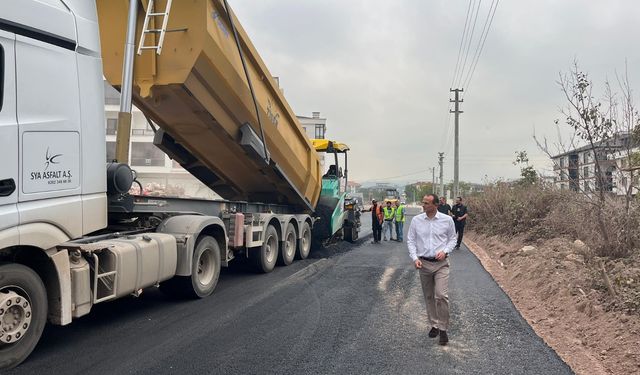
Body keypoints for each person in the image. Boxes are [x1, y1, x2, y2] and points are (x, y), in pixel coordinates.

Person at [407, 194, 456, 345]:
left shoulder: (447, 220)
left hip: (441, 263)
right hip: (424, 264)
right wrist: (415, 258)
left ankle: (443, 329)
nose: (423, 205)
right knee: (428, 297)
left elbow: (453, 238)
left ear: (435, 205)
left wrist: (446, 251)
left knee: (441, 295)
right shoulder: (416, 220)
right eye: (423, 202)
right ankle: (434, 324)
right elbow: (411, 240)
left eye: (426, 203)